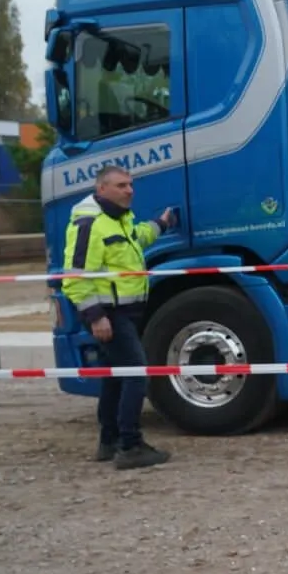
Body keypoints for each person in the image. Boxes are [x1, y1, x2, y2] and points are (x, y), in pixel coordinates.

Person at [62, 165, 178, 470]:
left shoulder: (120, 220)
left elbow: (136, 241)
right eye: (121, 185)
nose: (129, 190)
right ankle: (130, 445)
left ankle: (108, 441)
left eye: (130, 184)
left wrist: (161, 224)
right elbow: (74, 277)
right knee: (136, 374)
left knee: (114, 378)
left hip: (124, 312)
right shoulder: (89, 223)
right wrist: (95, 316)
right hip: (109, 315)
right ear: (102, 189)